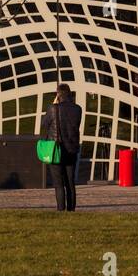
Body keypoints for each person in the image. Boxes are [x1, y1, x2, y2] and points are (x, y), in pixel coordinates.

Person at [39, 83, 82, 212]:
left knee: (58, 183)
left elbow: (44, 124)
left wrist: (53, 103)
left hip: (56, 149)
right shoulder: (78, 109)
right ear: (70, 94)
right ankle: (71, 209)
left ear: (58, 94)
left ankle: (60, 209)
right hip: (71, 150)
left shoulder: (53, 108)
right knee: (70, 182)